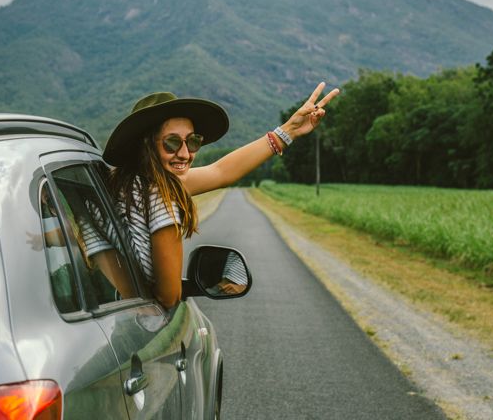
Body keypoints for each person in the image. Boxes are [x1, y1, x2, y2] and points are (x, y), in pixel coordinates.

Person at [102, 83, 338, 309]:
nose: (185, 154)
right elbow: (169, 297)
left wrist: (289, 131)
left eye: (193, 142)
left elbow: (221, 171)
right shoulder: (158, 197)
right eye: (172, 143)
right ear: (146, 146)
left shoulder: (128, 184)